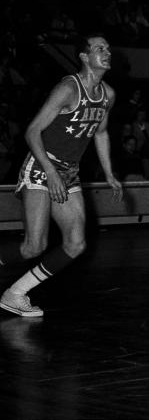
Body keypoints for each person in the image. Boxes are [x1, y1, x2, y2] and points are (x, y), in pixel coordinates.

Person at [0, 34, 123, 318]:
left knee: (76, 243)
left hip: (68, 172)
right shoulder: (68, 88)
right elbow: (32, 132)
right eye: (99, 48)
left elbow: (101, 132)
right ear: (83, 56)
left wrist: (109, 173)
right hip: (42, 167)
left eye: (108, 47)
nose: (107, 52)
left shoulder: (108, 94)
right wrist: (52, 173)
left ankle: (15, 294)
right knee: (34, 247)